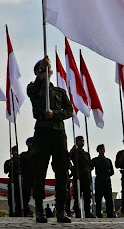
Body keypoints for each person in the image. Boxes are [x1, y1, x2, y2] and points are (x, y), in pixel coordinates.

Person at [27, 57, 72, 223]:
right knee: (40, 171)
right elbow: (35, 89)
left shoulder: (60, 92)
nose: (46, 71)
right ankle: (39, 210)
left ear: (51, 72)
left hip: (59, 134)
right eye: (41, 70)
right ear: (37, 72)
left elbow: (69, 110)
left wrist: (55, 114)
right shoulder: (33, 87)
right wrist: (41, 72)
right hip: (42, 133)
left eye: (47, 69)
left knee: (62, 173)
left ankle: (61, 210)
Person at [70, 135, 93, 218]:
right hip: (78, 176)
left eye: (83, 141)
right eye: (80, 141)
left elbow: (90, 165)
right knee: (77, 195)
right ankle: (77, 212)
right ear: (76, 142)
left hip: (86, 176)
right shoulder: (74, 153)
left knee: (87, 195)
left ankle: (87, 212)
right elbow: (68, 159)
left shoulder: (86, 154)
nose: (82, 142)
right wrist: (72, 150)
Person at [92, 144, 114, 218]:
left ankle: (110, 214)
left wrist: (107, 175)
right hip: (99, 181)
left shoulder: (108, 161)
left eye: (103, 149)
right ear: (98, 150)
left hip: (107, 181)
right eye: (100, 149)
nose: (102, 150)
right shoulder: (95, 160)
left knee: (109, 199)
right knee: (98, 199)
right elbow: (90, 167)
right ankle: (98, 214)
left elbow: (112, 171)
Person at [3, 145, 23, 217]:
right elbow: (5, 171)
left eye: (16, 151)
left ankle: (19, 213)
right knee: (11, 199)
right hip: (11, 180)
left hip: (19, 181)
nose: (15, 153)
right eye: (13, 151)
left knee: (19, 199)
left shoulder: (21, 161)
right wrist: (9, 165)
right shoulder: (8, 161)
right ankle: (12, 213)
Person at [20, 137, 34, 217]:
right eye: (30, 143)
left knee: (38, 194)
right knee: (26, 195)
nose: (31, 144)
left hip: (35, 176)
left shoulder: (37, 154)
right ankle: (26, 210)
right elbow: (21, 165)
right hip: (26, 176)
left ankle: (39, 209)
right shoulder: (23, 155)